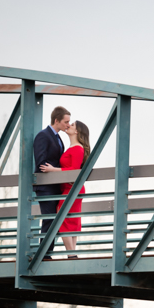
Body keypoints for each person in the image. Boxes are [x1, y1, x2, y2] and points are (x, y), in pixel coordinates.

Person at [39, 120, 90, 258]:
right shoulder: (72, 147)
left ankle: (71, 253)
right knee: (70, 220)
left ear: (77, 131)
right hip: (68, 188)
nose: (68, 126)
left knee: (63, 218)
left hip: (72, 188)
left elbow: (73, 171)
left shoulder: (78, 148)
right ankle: (72, 253)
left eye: (72, 125)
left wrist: (52, 170)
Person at [33, 105, 71, 258]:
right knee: (48, 220)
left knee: (54, 220)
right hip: (46, 186)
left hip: (56, 186)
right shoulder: (43, 136)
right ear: (56, 120)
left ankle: (47, 252)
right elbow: (41, 162)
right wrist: (56, 170)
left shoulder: (57, 137)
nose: (68, 125)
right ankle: (45, 255)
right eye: (66, 122)